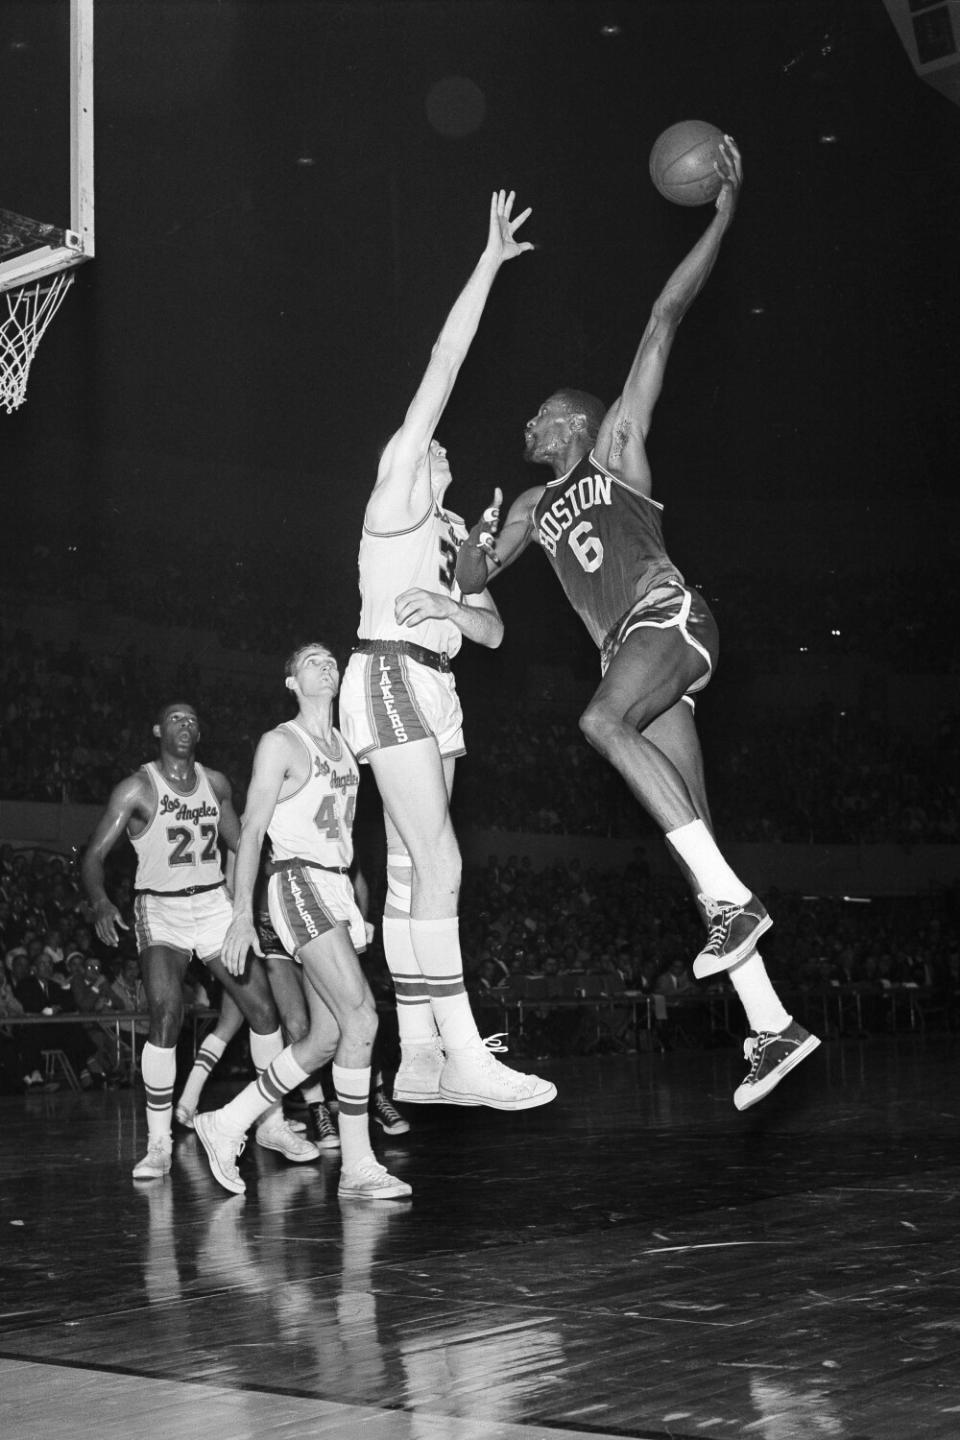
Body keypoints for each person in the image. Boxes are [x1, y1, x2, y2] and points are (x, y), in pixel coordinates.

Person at [455, 141, 818, 1111]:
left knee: (598, 725)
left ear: (574, 421)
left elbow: (665, 316)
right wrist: (469, 539)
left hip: (671, 619)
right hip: (636, 654)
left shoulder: (615, 446)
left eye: (538, 419)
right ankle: (772, 1024)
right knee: (691, 834)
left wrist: (722, 218)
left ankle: (738, 912)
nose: (526, 430)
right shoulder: (533, 506)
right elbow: (474, 578)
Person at [338, 189, 555, 1113]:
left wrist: (458, 595)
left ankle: (420, 1057)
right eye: (435, 453)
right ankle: (465, 1055)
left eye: (446, 460)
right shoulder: (394, 496)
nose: (443, 459)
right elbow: (445, 359)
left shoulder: (449, 539)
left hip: (437, 691)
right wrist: (489, 265)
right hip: (385, 671)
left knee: (410, 874)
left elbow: (498, 632)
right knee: (445, 864)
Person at [194, 643, 411, 1200]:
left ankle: (227, 1122)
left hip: (334, 885)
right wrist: (242, 913)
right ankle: (359, 1166)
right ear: (291, 681)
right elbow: (250, 829)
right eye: (312, 661)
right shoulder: (280, 743)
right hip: (296, 880)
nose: (327, 664)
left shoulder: (343, 746)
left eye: (331, 659)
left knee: (327, 1037)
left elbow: (344, 836)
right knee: (363, 1018)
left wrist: (356, 903)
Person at [81, 701, 315, 1178]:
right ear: (156, 730)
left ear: (200, 732)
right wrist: (102, 902)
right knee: (167, 1012)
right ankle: (159, 1143)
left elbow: (241, 842)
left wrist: (275, 885)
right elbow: (92, 856)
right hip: (160, 907)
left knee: (264, 1012)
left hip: (212, 904)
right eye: (173, 719)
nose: (184, 725)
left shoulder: (218, 784)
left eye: (191, 720)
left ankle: (269, 1121)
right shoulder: (137, 788)